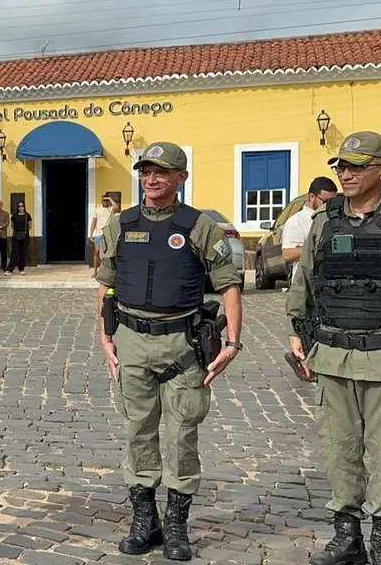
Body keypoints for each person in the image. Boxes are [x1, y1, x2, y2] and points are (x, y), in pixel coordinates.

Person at [97, 141, 243, 562]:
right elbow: (108, 284)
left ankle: (177, 522)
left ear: (181, 177)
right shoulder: (120, 225)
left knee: (182, 434)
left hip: (184, 344)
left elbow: (229, 285)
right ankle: (145, 520)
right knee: (137, 431)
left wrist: (233, 341)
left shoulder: (199, 227)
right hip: (132, 340)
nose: (152, 178)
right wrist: (107, 337)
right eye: (146, 171)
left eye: (162, 171)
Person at [286, 131, 381, 565]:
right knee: (339, 449)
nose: (346, 174)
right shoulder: (326, 220)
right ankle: (347, 537)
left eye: (356, 166)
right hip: (333, 355)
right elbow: (305, 276)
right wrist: (295, 328)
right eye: (341, 167)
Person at [280, 176, 338, 380]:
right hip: (304, 282)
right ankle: (304, 361)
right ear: (312, 197)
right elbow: (287, 253)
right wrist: (315, 249)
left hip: (328, 282)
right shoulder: (297, 221)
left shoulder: (334, 217)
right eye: (325, 201)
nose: (329, 205)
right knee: (307, 327)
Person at [90, 193, 117, 276]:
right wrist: (91, 234)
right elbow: (94, 222)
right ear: (101, 201)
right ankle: (95, 271)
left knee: (107, 254)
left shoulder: (111, 209)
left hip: (107, 235)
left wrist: (109, 198)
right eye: (104, 200)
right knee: (96, 253)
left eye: (106, 200)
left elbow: (116, 207)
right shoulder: (97, 210)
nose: (105, 202)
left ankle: (106, 271)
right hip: (98, 234)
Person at [5, 202, 32, 276]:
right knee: (14, 253)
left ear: (24, 207)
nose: (20, 207)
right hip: (16, 235)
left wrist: (24, 232)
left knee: (23, 253)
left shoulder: (27, 215)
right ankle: (9, 270)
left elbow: (30, 225)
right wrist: (17, 232)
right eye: (19, 206)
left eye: (22, 206)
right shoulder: (14, 215)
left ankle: (21, 269)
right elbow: (12, 225)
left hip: (25, 236)